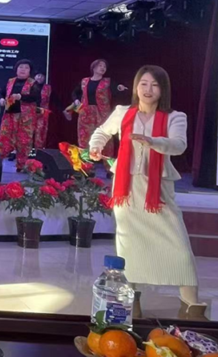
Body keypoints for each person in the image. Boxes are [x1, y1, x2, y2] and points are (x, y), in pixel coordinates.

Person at [89, 65, 203, 319]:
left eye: (154, 85)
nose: (148, 89)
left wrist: (153, 142)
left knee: (178, 245)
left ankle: (192, 304)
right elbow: (101, 132)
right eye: (143, 84)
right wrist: (95, 146)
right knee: (129, 246)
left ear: (163, 89)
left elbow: (179, 145)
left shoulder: (175, 117)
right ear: (136, 87)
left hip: (158, 190)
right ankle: (132, 301)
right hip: (126, 190)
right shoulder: (123, 112)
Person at [67, 59, 128, 152]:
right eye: (100, 66)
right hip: (86, 114)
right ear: (94, 68)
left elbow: (115, 88)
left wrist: (119, 88)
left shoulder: (107, 82)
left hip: (102, 113)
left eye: (104, 67)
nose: (103, 68)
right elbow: (75, 92)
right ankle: (86, 159)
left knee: (103, 135)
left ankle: (104, 158)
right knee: (84, 136)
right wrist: (76, 100)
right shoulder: (84, 81)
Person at [0, 59, 41, 172]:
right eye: (21, 67)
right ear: (16, 69)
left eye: (26, 68)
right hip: (9, 115)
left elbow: (36, 97)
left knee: (24, 141)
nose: (23, 69)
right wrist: (1, 99)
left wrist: (21, 97)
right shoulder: (10, 81)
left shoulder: (33, 83)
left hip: (25, 118)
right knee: (4, 138)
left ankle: (22, 166)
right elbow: (1, 93)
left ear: (30, 71)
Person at [33, 73, 51, 150]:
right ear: (34, 77)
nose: (40, 77)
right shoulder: (28, 86)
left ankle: (39, 150)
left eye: (42, 76)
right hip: (29, 112)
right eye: (38, 75)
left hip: (42, 112)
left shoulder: (48, 88)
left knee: (40, 131)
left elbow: (54, 99)